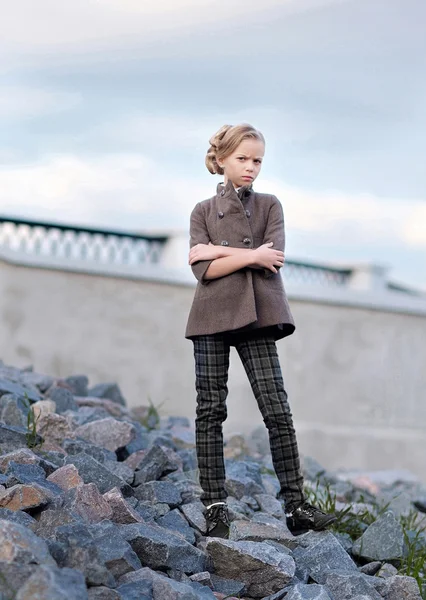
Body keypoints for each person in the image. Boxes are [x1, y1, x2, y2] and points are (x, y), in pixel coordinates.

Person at [185, 123, 336, 538]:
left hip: (258, 314)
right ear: (220, 161)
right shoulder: (201, 211)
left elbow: (272, 259)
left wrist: (220, 250)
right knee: (210, 410)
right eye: (242, 159)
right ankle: (215, 506)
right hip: (210, 316)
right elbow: (204, 271)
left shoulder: (270, 205)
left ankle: (296, 507)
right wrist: (241, 256)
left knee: (277, 411)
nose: (251, 167)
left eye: (257, 160)